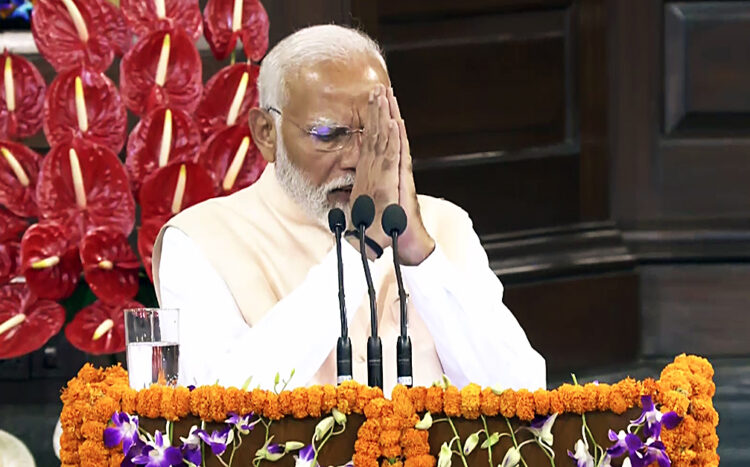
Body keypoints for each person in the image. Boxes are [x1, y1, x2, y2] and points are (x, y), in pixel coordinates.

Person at [152, 24, 546, 394]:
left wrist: (419, 257)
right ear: (265, 133)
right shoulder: (199, 242)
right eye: (329, 135)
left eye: (376, 132)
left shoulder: (443, 227)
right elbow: (224, 409)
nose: (358, 159)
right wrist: (361, 249)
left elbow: (523, 394)